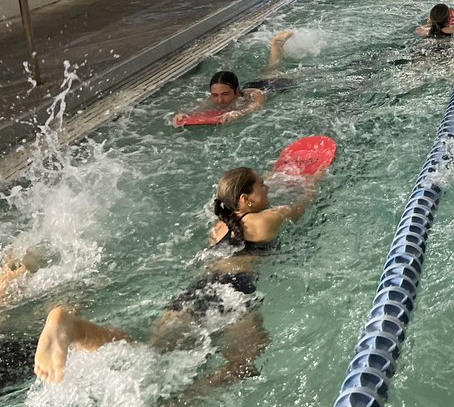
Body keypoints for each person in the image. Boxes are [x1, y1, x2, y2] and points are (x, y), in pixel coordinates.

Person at [33, 164, 324, 385]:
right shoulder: (265, 221)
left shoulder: (219, 227)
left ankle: (75, 328)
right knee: (245, 364)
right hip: (232, 293)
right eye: (263, 185)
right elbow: (301, 207)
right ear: (246, 199)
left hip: (196, 291)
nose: (268, 189)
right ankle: (185, 402)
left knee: (149, 357)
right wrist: (313, 183)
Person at [172, 31, 293, 126]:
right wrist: (184, 116)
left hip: (277, 84)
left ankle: (277, 43)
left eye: (225, 94)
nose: (219, 100)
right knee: (270, 70)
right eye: (215, 95)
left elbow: (256, 106)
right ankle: (277, 44)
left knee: (275, 72)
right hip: (253, 83)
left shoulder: (255, 94)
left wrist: (238, 113)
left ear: (236, 91)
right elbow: (198, 110)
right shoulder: (212, 99)